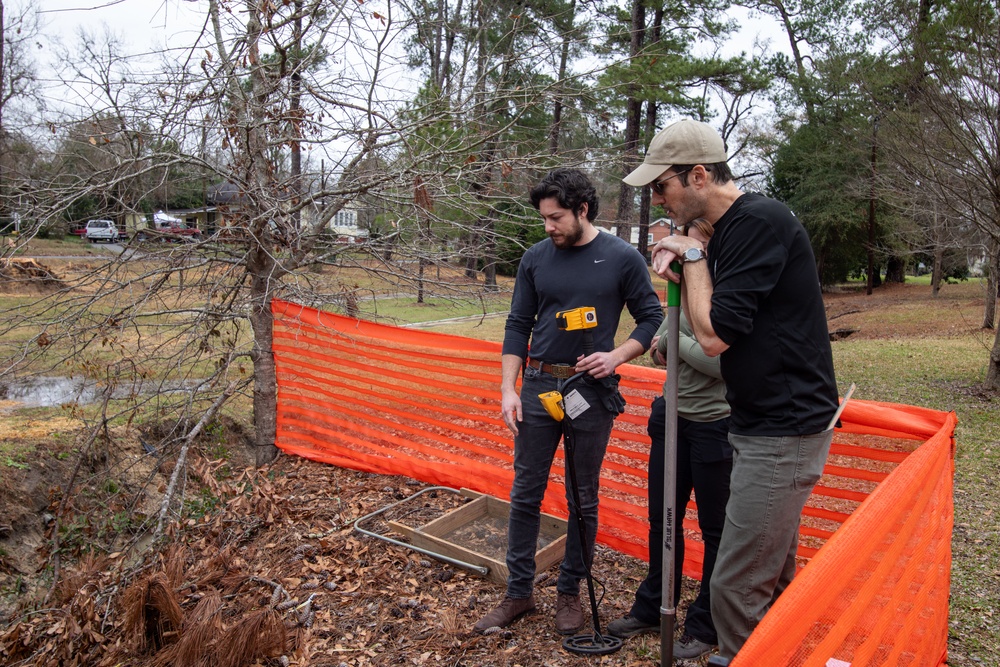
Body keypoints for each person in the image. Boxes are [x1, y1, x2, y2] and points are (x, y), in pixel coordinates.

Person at [624, 119, 839, 662]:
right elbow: (715, 311)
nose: (658, 200)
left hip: (782, 428)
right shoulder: (734, 230)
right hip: (759, 423)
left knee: (735, 588)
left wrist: (693, 257)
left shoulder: (757, 222)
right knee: (770, 575)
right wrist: (692, 251)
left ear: (699, 175)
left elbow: (714, 335)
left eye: (662, 187)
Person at [474, 168, 663, 636]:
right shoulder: (536, 258)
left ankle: (569, 593)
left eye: (556, 217)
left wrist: (616, 356)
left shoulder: (621, 258)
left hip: (590, 392)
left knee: (583, 497)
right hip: (538, 387)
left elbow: (652, 318)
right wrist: (507, 389)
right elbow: (518, 324)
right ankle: (518, 593)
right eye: (543, 218)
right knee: (525, 493)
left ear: (582, 210)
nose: (548, 227)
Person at [607, 218, 732, 661]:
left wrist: (677, 341)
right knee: (664, 519)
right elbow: (658, 347)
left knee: (716, 531)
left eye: (690, 238)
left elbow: (722, 364)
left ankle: (706, 624)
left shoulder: (724, 291)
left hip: (716, 424)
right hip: (670, 418)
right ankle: (651, 608)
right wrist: (678, 341)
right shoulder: (677, 284)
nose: (679, 245)